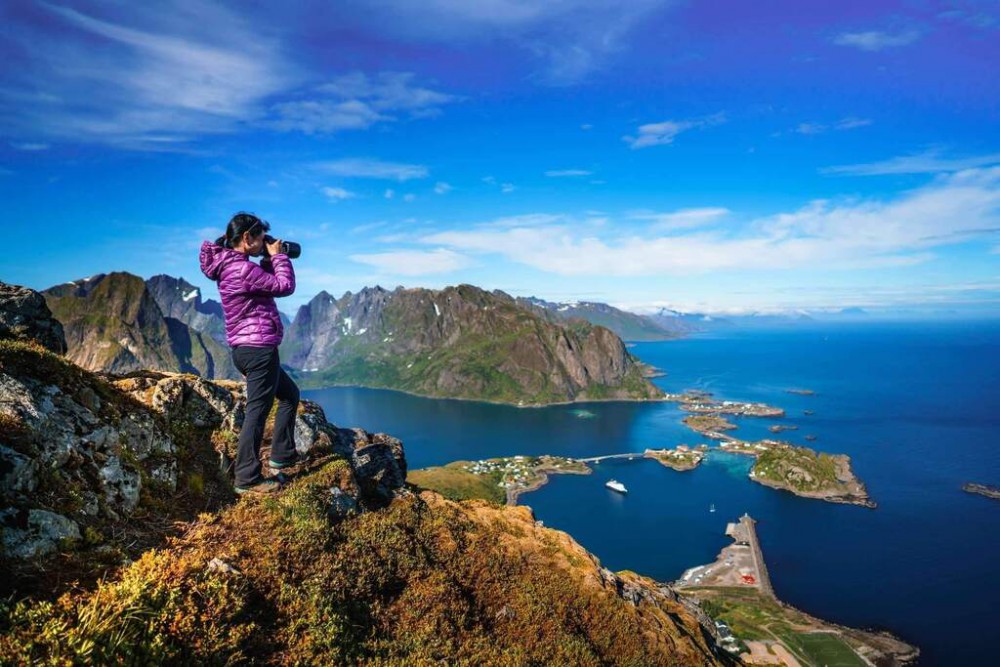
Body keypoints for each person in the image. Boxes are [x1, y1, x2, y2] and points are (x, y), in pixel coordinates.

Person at [199, 212, 300, 494]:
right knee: (256, 413)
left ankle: (282, 454)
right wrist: (278, 257)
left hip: (244, 348)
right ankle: (247, 478)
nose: (263, 243)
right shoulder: (241, 269)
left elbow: (263, 285)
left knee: (290, 395)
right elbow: (284, 286)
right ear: (247, 238)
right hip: (259, 349)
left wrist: (267, 259)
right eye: (259, 238)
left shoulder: (231, 266)